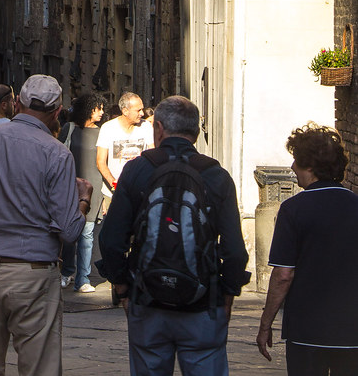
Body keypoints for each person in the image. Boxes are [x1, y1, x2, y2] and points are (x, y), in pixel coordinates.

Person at [0, 74, 93, 376]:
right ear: (57, 110)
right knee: (40, 368)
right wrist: (83, 201)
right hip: (33, 272)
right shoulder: (57, 153)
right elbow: (70, 230)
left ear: (17, 103)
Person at [99, 95, 250, 376]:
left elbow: (110, 240)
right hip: (203, 304)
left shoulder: (137, 170)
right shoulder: (217, 176)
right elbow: (235, 250)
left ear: (158, 128)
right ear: (195, 132)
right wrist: (227, 296)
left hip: (148, 300)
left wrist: (123, 290)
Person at [256, 123, 358, 375]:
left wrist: (265, 323)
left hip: (308, 329)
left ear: (310, 166)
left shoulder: (293, 209)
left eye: (296, 161)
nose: (292, 168)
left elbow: (283, 275)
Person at [59, 93, 105, 292]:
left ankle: (83, 279)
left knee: (87, 235)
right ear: (87, 109)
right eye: (98, 108)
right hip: (70, 188)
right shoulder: (69, 129)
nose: (102, 112)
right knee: (70, 234)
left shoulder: (103, 133)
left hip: (94, 188)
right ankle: (67, 271)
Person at [96, 91, 150, 206]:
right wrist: (115, 184)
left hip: (140, 192)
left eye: (142, 109)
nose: (142, 113)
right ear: (125, 111)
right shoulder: (108, 128)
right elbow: (100, 162)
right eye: (138, 110)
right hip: (113, 194)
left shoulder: (146, 127)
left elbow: (152, 154)